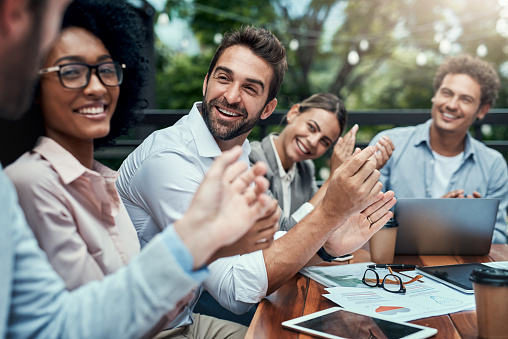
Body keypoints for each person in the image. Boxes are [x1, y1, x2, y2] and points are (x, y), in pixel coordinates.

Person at [0, 0, 276, 337]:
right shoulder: (27, 183)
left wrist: (202, 245)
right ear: (36, 85)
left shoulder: (105, 180)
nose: (96, 87)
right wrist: (195, 244)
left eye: (107, 71)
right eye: (71, 72)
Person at [117, 25, 397, 336]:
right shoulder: (170, 159)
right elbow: (235, 290)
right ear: (206, 82)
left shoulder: (239, 152)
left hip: (183, 318)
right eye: (224, 78)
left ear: (268, 109)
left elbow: (267, 243)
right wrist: (329, 214)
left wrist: (327, 246)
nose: (231, 96)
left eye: (250, 88)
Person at [370, 54, 508, 244]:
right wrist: (437, 219)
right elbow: (365, 221)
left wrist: (472, 223)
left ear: (482, 110)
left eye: (465, 99)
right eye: (446, 93)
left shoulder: (493, 165)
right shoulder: (388, 145)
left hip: (462, 269)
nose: (451, 105)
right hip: (395, 270)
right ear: (435, 95)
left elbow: (500, 238)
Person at [249, 93, 395, 227]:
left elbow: (324, 224)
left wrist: (366, 171)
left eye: (324, 141)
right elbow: (285, 234)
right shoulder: (251, 159)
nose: (313, 142)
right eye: (312, 127)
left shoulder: (305, 168)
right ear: (293, 114)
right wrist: (333, 178)